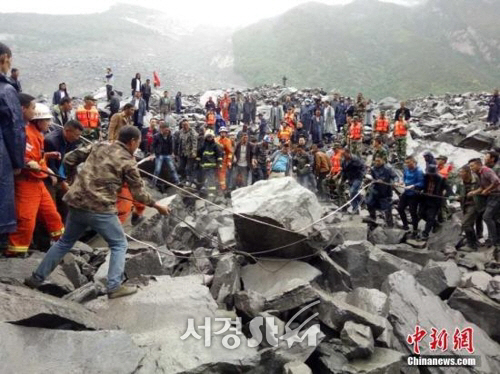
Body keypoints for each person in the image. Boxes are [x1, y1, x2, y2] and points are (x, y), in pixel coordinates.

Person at [24, 126, 171, 298]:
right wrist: (157, 205)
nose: (137, 146)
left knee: (64, 242)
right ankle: (114, 286)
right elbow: (138, 193)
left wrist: (72, 178)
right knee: (119, 244)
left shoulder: (100, 145)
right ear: (132, 142)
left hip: (76, 201)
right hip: (99, 208)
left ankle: (36, 278)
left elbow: (70, 158)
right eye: (138, 142)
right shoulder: (127, 161)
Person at [7, 103, 65, 257]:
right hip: (27, 182)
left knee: (51, 214)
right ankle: (16, 251)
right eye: (47, 120)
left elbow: (36, 157)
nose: (49, 123)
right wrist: (29, 163)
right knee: (26, 218)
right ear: (38, 121)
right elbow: (21, 157)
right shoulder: (27, 134)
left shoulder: (38, 134)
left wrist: (46, 157)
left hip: (38, 182)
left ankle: (62, 242)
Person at [0, 43, 29, 254]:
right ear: (4, 59)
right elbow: (14, 128)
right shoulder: (6, 90)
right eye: (10, 61)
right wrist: (18, 162)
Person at [44, 119, 83, 221]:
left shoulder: (71, 140)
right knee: (51, 207)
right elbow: (50, 165)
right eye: (76, 135)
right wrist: (62, 183)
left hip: (62, 174)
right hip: (50, 177)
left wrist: (74, 179)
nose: (77, 138)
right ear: (67, 131)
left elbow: (72, 159)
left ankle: (64, 231)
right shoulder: (51, 141)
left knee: (66, 206)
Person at [468, 158, 500, 258]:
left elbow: (496, 181)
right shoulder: (480, 173)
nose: (471, 168)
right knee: (493, 218)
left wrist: (487, 190)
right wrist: (474, 192)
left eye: (472, 166)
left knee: (486, 217)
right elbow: (482, 187)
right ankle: (494, 239)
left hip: (497, 196)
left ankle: (494, 241)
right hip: (492, 196)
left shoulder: (486, 171)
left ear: (478, 165)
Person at [456, 165, 483, 251]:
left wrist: (474, 192)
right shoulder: (460, 182)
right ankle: (473, 242)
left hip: (475, 204)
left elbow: (483, 188)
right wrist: (457, 197)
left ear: (468, 173)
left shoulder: (477, 180)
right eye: (460, 172)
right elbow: (457, 193)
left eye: (462, 172)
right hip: (465, 205)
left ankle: (471, 245)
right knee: (469, 225)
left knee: (465, 224)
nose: (460, 174)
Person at [366, 155, 398, 227]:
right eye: (376, 161)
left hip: (385, 191)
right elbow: (370, 176)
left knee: (387, 208)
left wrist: (395, 182)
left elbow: (395, 177)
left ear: (383, 161)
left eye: (379, 161)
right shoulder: (373, 168)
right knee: (369, 203)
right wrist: (369, 178)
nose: (377, 163)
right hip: (375, 190)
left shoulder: (388, 169)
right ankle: (372, 217)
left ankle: (390, 225)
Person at [418, 165, 448, 240]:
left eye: (432, 174)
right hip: (425, 198)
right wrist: (419, 190)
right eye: (429, 174)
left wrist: (445, 192)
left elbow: (447, 188)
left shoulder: (441, 179)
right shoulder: (425, 177)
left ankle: (425, 233)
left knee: (430, 217)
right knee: (421, 214)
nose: (430, 175)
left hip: (435, 200)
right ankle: (436, 224)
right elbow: (421, 185)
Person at [397, 156, 424, 236]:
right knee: (400, 208)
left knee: (413, 212)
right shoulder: (406, 169)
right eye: (406, 162)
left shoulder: (419, 171)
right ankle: (405, 225)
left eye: (408, 162)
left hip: (414, 194)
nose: (407, 164)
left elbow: (422, 183)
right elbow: (404, 178)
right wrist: (401, 182)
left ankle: (415, 229)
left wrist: (413, 186)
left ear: (413, 162)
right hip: (406, 192)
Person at [152, 122, 179, 187]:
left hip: (167, 154)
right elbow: (153, 145)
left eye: (168, 130)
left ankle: (177, 181)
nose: (167, 131)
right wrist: (153, 153)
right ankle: (153, 183)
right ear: (161, 129)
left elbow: (172, 145)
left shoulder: (170, 136)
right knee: (157, 170)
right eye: (165, 130)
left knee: (172, 168)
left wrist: (172, 153)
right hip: (159, 154)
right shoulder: (156, 136)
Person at [198, 129, 223, 198]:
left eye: (211, 137)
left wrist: (220, 164)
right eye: (208, 137)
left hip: (212, 166)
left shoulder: (215, 146)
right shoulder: (203, 145)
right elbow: (199, 153)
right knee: (204, 178)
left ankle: (211, 193)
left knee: (211, 178)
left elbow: (219, 156)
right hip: (204, 165)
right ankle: (205, 190)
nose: (209, 138)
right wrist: (198, 161)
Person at [341, 148, 365, 214]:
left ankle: (355, 208)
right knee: (354, 192)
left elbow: (362, 167)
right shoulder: (344, 161)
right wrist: (342, 179)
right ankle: (362, 202)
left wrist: (362, 175)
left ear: (348, 153)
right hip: (350, 178)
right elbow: (344, 171)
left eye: (344, 154)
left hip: (357, 178)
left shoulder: (355, 159)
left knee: (352, 191)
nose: (343, 156)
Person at [177, 119, 198, 186]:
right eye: (183, 125)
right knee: (181, 167)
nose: (184, 126)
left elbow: (194, 143)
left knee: (189, 168)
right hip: (182, 153)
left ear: (188, 124)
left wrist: (194, 152)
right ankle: (183, 179)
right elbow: (179, 142)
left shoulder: (192, 132)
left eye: (186, 124)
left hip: (190, 153)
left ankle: (190, 181)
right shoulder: (180, 132)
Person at [216, 126, 233, 191]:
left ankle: (223, 188)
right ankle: (216, 187)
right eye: (221, 132)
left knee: (222, 174)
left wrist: (229, 162)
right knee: (216, 173)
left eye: (224, 132)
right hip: (216, 159)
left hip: (224, 160)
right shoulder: (216, 139)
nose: (223, 134)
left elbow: (230, 152)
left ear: (226, 133)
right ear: (219, 133)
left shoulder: (228, 141)